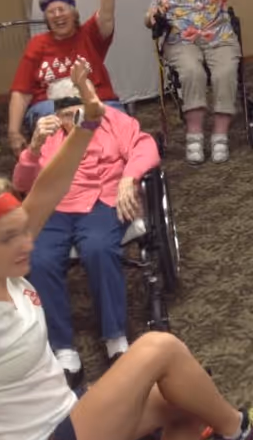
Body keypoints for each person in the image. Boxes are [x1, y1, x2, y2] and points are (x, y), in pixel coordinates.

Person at [0, 62, 253, 440]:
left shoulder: (6, 271)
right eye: (9, 237)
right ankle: (238, 432)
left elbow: (49, 186)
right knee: (158, 348)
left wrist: (92, 120)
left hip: (63, 414)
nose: (28, 240)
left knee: (191, 398)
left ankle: (230, 431)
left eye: (23, 228)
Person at [11, 77, 161, 386]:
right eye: (64, 112)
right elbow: (22, 185)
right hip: (57, 207)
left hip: (101, 201)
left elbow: (146, 146)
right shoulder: (49, 135)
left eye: (78, 107)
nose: (72, 118)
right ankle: (63, 348)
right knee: (36, 257)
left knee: (98, 248)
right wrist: (33, 149)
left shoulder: (113, 120)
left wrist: (128, 177)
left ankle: (115, 339)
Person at [145, 0, 247, 165]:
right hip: (182, 42)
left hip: (219, 38)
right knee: (192, 73)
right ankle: (194, 135)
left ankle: (220, 135)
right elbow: (149, 18)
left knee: (225, 72)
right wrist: (151, 16)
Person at [9, 0, 121, 154]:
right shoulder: (38, 44)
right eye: (51, 12)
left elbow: (107, 13)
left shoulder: (89, 34)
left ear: (74, 14)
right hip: (50, 107)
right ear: (46, 19)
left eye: (62, 9)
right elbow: (21, 92)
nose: (57, 15)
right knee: (58, 147)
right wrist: (13, 133)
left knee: (116, 136)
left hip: (97, 101)